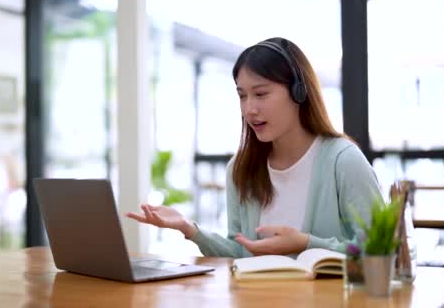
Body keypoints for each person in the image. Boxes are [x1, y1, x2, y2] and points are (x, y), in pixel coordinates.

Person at [126, 37, 383, 258]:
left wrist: (306, 243)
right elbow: (240, 255)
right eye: (242, 95)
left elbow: (379, 251)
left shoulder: (343, 161)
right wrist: (189, 229)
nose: (249, 109)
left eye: (260, 94)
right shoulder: (241, 168)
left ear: (299, 92)